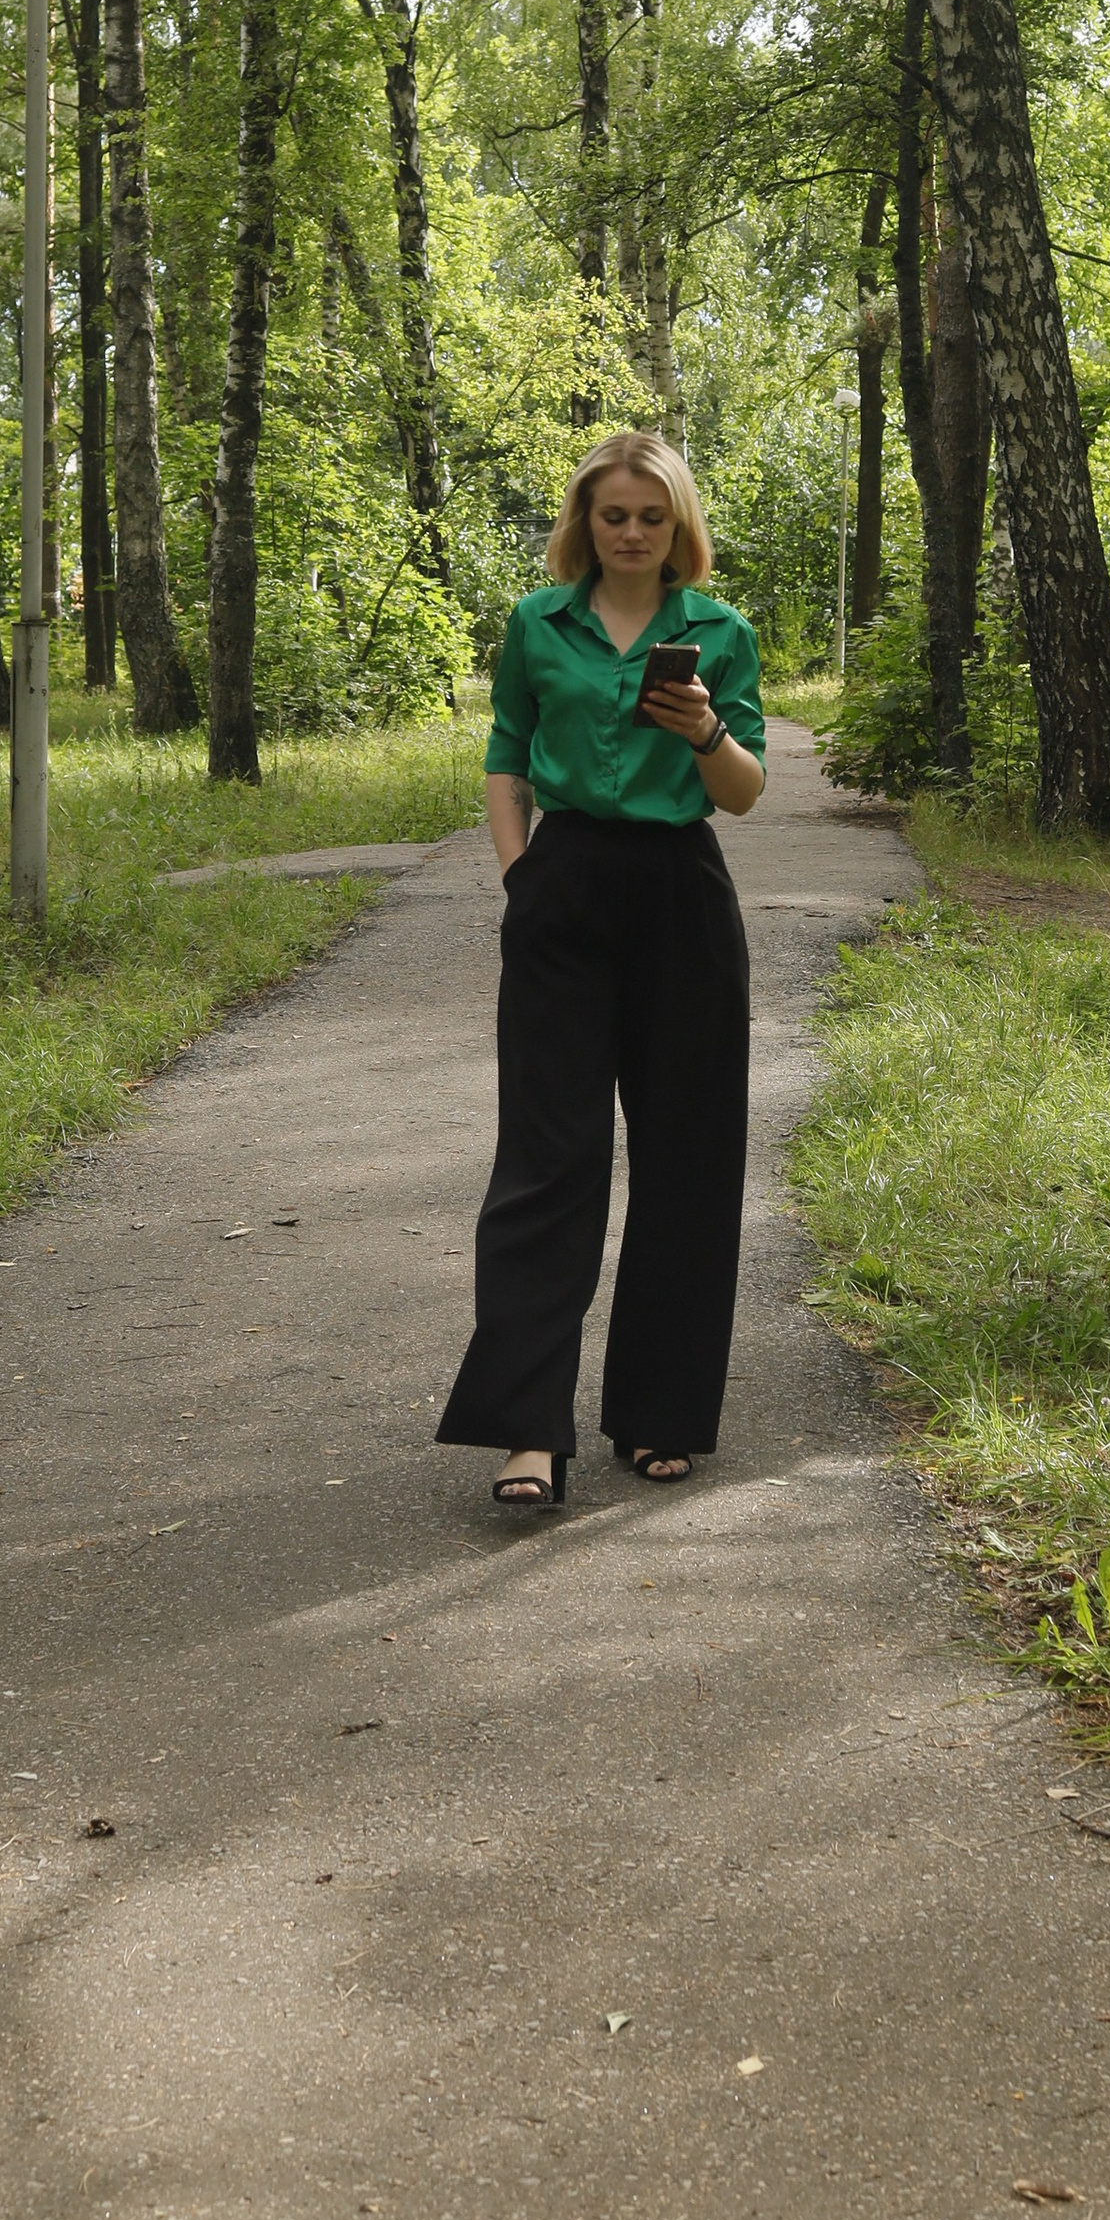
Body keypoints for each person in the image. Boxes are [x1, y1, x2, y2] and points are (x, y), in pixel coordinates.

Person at [436, 430, 767, 1511]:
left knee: (686, 1159)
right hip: (564, 891)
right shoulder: (537, 622)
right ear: (586, 523)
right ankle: (527, 1430)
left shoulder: (721, 631)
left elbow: (744, 792)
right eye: (614, 516)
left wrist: (705, 726)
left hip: (683, 896)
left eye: (651, 517)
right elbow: (504, 753)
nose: (631, 534)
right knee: (546, 1159)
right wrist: (520, 876)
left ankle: (660, 1414)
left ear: (679, 528)